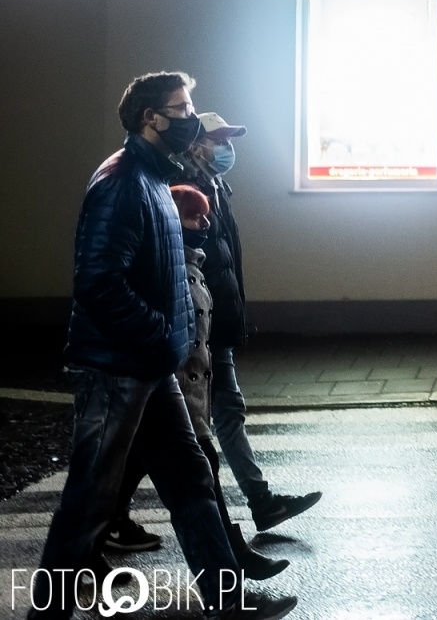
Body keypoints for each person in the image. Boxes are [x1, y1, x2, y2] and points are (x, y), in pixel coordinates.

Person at [29, 72, 293, 620]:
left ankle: (227, 600)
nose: (191, 117)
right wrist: (156, 333)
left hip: (151, 368)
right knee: (88, 502)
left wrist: (164, 344)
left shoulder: (152, 177)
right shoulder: (122, 182)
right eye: (182, 107)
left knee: (192, 478)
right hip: (117, 369)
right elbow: (98, 281)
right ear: (152, 116)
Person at [106, 185, 289, 581]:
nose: (204, 224)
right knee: (199, 477)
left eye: (207, 216)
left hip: (176, 400)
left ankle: (85, 545)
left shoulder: (191, 269)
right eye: (195, 217)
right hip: (167, 398)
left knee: (116, 479)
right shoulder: (168, 275)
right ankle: (229, 574)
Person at [180, 112, 322, 533]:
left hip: (215, 320)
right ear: (196, 144)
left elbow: (225, 266)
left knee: (220, 414)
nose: (226, 147)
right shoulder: (189, 192)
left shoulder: (217, 187)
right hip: (200, 322)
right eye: (217, 139)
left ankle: (260, 502)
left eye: (228, 138)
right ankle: (243, 511)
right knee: (186, 426)